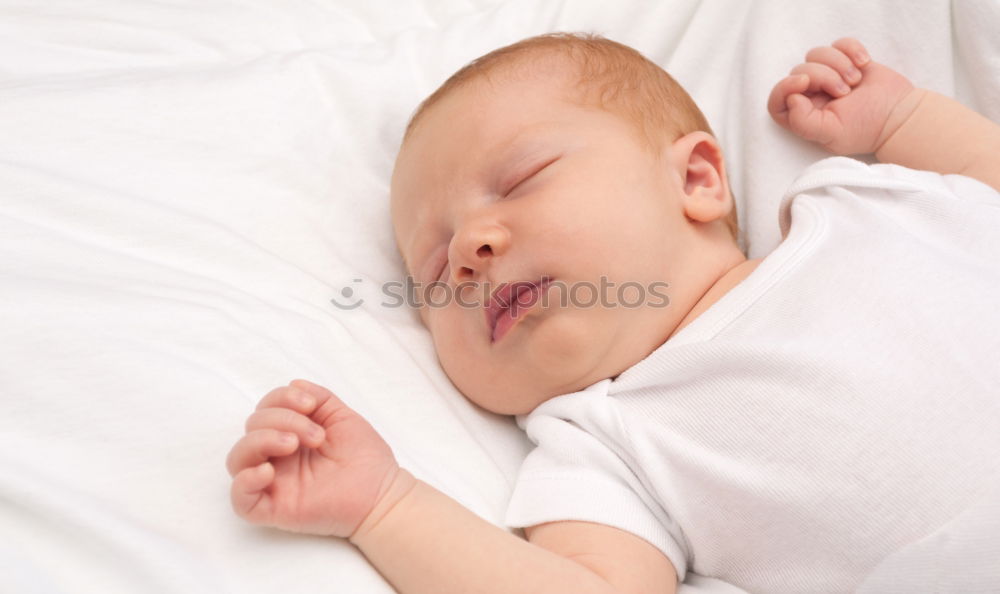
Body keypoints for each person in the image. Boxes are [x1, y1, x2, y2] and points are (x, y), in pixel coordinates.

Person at [224, 33, 1000, 593]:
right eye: (435, 274)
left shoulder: (854, 206)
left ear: (697, 178)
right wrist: (383, 507)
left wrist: (902, 121)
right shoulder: (603, 444)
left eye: (520, 180)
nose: (469, 249)